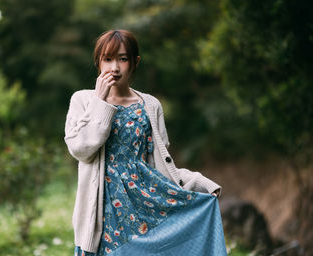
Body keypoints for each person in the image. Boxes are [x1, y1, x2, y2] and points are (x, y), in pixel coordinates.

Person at [64, 30, 227, 256]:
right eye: (107, 59)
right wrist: (99, 101)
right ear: (98, 62)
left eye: (122, 59)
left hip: (145, 207)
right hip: (104, 212)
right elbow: (81, 150)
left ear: (134, 62)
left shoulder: (150, 105)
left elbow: (160, 166)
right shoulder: (82, 100)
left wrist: (198, 183)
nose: (114, 68)